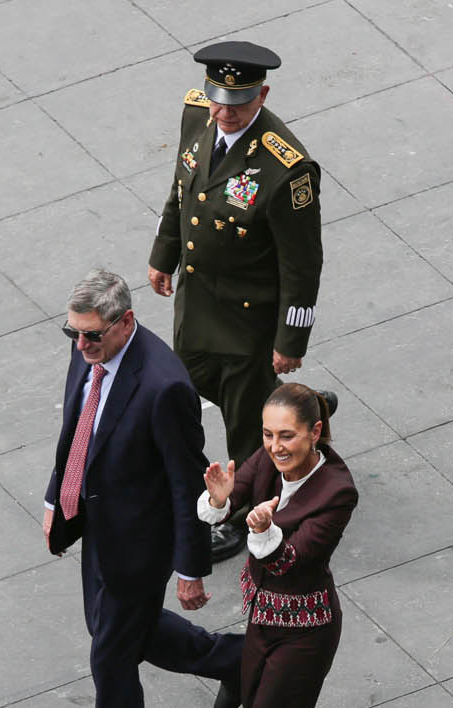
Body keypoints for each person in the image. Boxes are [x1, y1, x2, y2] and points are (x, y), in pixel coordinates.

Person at [43, 269, 244, 708]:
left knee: (110, 658)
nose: (81, 348)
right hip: (96, 527)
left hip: (139, 545)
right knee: (123, 633)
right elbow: (75, 428)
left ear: (125, 322)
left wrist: (190, 567)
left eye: (92, 337)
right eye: (73, 335)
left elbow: (188, 482)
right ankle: (239, 661)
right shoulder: (89, 351)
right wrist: (56, 500)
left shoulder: (163, 386)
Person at [200, 383, 404, 708]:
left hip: (308, 631)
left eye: (286, 436)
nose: (274, 446)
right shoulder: (268, 459)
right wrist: (221, 500)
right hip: (263, 616)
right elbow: (238, 493)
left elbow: (292, 560)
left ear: (315, 433)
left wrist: (265, 529)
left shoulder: (337, 490)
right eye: (268, 435)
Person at [147, 40, 323, 564]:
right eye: (217, 99)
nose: (223, 113)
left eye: (238, 104)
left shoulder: (286, 169)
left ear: (262, 95)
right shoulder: (197, 115)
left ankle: (244, 509)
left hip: (249, 320)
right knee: (186, 391)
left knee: (248, 426)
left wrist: (290, 340)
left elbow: (302, 264)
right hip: (199, 303)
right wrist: (164, 253)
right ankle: (304, 414)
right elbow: (182, 191)